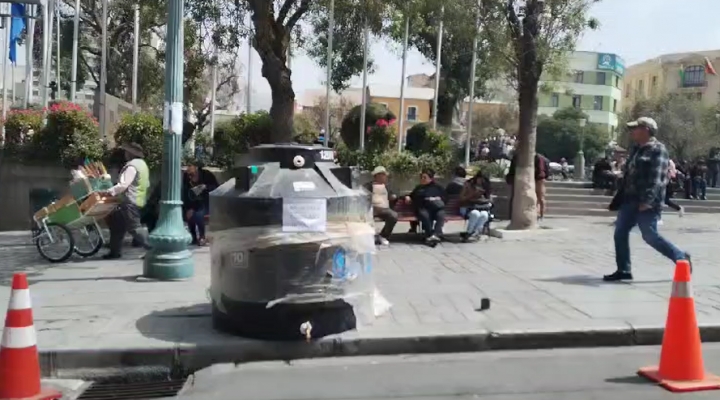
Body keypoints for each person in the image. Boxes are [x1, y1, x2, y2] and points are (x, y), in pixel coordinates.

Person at [605, 117, 691, 282]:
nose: (632, 132)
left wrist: (648, 200)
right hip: (629, 199)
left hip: (647, 201)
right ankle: (623, 270)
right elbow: (628, 175)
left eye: (635, 128)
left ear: (646, 130)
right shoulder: (637, 149)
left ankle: (681, 258)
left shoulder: (658, 150)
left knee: (649, 235)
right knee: (620, 233)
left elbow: (657, 178)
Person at [101, 143, 151, 260]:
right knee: (116, 224)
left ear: (130, 154)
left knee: (134, 228)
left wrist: (109, 191)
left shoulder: (131, 166)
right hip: (138, 200)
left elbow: (123, 185)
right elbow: (147, 184)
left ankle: (153, 249)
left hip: (129, 201)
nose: (125, 154)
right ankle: (114, 252)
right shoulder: (143, 165)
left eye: (126, 152)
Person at [405, 169, 446, 245]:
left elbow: (445, 198)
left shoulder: (438, 187)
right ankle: (431, 234)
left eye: (424, 177)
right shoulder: (419, 188)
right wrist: (407, 197)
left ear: (431, 178)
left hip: (436, 208)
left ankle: (436, 234)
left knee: (441, 214)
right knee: (424, 214)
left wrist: (437, 198)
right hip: (423, 208)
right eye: (421, 177)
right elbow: (412, 195)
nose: (422, 179)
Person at [182, 162, 219, 246]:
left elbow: (216, 188)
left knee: (199, 214)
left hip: (207, 202)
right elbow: (185, 194)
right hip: (195, 203)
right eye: (189, 174)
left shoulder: (207, 175)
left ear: (196, 168)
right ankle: (193, 237)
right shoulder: (186, 177)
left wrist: (205, 187)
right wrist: (189, 208)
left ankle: (202, 236)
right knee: (189, 214)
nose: (191, 177)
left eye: (192, 174)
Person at [505, 151, 549, 221]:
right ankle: (513, 214)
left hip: (538, 178)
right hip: (525, 177)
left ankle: (541, 214)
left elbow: (542, 169)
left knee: (540, 197)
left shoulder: (538, 158)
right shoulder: (517, 157)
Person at [364, 166, 398, 246]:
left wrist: (394, 196)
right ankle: (369, 237)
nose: (385, 177)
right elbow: (363, 196)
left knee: (394, 215)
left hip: (385, 209)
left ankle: (383, 236)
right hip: (371, 209)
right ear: (377, 176)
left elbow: (394, 195)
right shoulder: (368, 185)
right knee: (365, 217)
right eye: (383, 175)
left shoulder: (387, 186)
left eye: (385, 175)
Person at [459, 171, 492, 242]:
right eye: (480, 179)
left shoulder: (485, 186)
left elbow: (490, 199)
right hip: (467, 207)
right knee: (475, 214)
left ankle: (473, 232)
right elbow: (461, 199)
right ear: (477, 178)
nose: (481, 182)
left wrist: (486, 198)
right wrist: (472, 194)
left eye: (483, 181)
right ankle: (470, 232)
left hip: (481, 207)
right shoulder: (468, 184)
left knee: (484, 215)